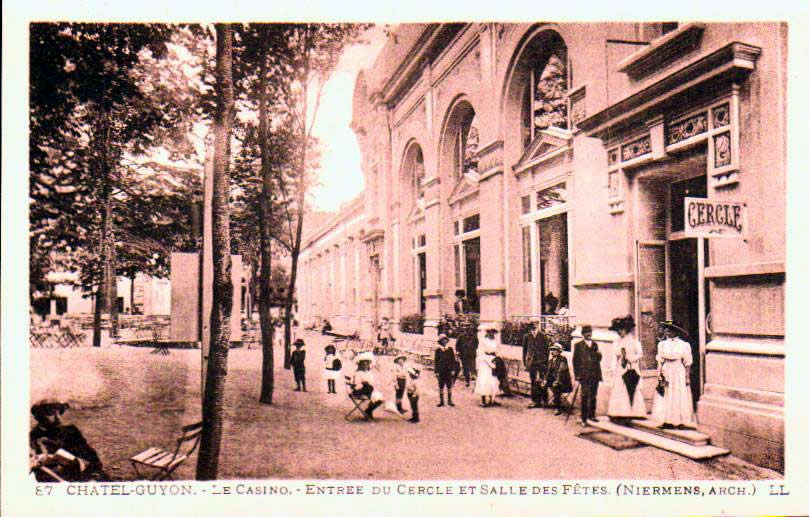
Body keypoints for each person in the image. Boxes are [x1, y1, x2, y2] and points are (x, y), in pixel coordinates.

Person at [29, 399, 108, 482]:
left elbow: (92, 458)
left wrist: (93, 474)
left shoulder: (70, 431)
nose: (58, 417)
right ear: (39, 416)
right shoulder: (33, 437)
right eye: (51, 413)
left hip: (82, 475)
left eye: (59, 412)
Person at [651, 320, 696, 430]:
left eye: (670, 329)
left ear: (676, 331)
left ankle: (679, 421)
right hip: (666, 369)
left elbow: (687, 362)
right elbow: (660, 361)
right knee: (666, 394)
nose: (667, 331)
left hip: (678, 371)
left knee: (678, 394)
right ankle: (667, 421)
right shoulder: (662, 344)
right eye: (666, 328)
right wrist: (659, 373)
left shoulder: (684, 345)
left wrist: (687, 377)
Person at [606, 315, 646, 420]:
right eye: (617, 330)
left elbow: (640, 354)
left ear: (627, 329)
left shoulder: (634, 342)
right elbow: (614, 356)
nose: (619, 332)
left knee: (632, 387)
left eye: (621, 329)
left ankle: (633, 413)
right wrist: (613, 368)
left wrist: (631, 358)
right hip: (620, 368)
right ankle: (619, 412)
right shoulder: (616, 342)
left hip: (631, 368)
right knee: (619, 389)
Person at [572, 324, 602, 426]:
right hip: (584, 376)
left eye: (590, 332)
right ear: (583, 334)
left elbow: (598, 360)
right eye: (586, 333)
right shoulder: (578, 345)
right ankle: (584, 418)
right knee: (584, 396)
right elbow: (575, 362)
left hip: (595, 374)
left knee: (593, 396)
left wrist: (599, 355)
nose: (589, 334)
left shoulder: (595, 345)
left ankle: (591, 415)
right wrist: (577, 376)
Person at [522, 318, 549, 408]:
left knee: (543, 381)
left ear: (538, 324)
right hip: (532, 363)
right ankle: (535, 401)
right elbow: (525, 351)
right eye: (532, 324)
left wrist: (546, 362)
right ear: (530, 325)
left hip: (542, 362)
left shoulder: (543, 336)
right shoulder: (526, 337)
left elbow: (547, 351)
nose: (534, 325)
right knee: (533, 381)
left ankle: (544, 401)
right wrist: (525, 363)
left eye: (536, 323)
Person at [351, 353, 384, 421]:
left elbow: (371, 382)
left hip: (368, 389)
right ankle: (369, 412)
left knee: (380, 399)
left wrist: (368, 383)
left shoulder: (369, 373)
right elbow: (357, 383)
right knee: (373, 394)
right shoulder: (358, 373)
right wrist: (364, 383)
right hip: (360, 390)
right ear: (360, 365)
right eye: (363, 364)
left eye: (367, 364)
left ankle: (368, 411)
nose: (365, 366)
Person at [544, 343, 573, 415]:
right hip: (554, 380)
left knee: (556, 386)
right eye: (551, 350)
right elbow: (548, 372)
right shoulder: (550, 361)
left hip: (563, 382)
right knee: (538, 383)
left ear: (559, 351)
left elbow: (561, 371)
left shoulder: (563, 359)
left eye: (554, 350)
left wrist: (557, 381)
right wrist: (544, 380)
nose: (552, 352)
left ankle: (557, 408)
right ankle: (544, 402)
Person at [475, 326, 500, 407]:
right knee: (484, 380)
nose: (491, 333)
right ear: (487, 332)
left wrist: (496, 360)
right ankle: (483, 400)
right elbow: (480, 352)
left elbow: (497, 351)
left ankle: (492, 399)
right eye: (489, 332)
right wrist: (488, 362)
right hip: (485, 362)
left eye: (493, 332)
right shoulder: (483, 341)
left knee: (493, 380)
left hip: (493, 361)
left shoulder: (495, 342)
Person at [434, 334, 457, 407]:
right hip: (441, 371)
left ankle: (450, 401)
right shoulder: (438, 350)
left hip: (449, 370)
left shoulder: (450, 349)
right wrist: (436, 371)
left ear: (447, 341)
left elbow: (453, 360)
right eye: (442, 340)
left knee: (449, 385)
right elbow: (436, 361)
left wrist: (453, 369)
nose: (444, 341)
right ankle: (441, 401)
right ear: (440, 342)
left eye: (445, 339)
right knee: (441, 385)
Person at [455, 320, 478, 387]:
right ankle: (467, 381)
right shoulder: (461, 336)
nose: (466, 328)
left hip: (472, 354)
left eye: (467, 326)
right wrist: (458, 351)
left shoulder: (473, 336)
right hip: (463, 355)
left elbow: (476, 343)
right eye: (465, 326)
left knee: (473, 367)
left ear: (470, 327)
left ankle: (474, 381)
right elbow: (457, 345)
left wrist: (473, 349)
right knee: (465, 368)